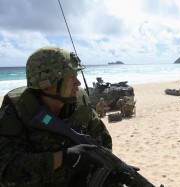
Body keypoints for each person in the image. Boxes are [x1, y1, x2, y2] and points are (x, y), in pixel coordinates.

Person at [0, 46, 120, 186]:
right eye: (71, 77)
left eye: (76, 75)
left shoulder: (79, 106)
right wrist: (62, 158)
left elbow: (103, 142)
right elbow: (6, 172)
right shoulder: (17, 112)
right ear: (46, 84)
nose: (78, 83)